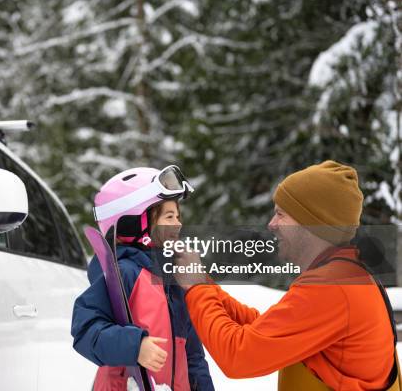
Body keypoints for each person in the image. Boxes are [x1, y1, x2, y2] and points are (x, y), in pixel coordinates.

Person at [176, 160, 401, 390]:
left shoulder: (331, 286)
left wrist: (197, 290)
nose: (271, 225)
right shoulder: (348, 273)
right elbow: (268, 332)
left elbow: (237, 356)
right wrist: (204, 285)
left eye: (281, 214)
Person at [71, 166, 214, 391]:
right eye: (169, 216)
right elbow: (85, 329)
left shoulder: (175, 280)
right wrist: (135, 346)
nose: (178, 223)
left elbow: (193, 357)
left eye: (178, 215)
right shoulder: (124, 274)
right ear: (136, 222)